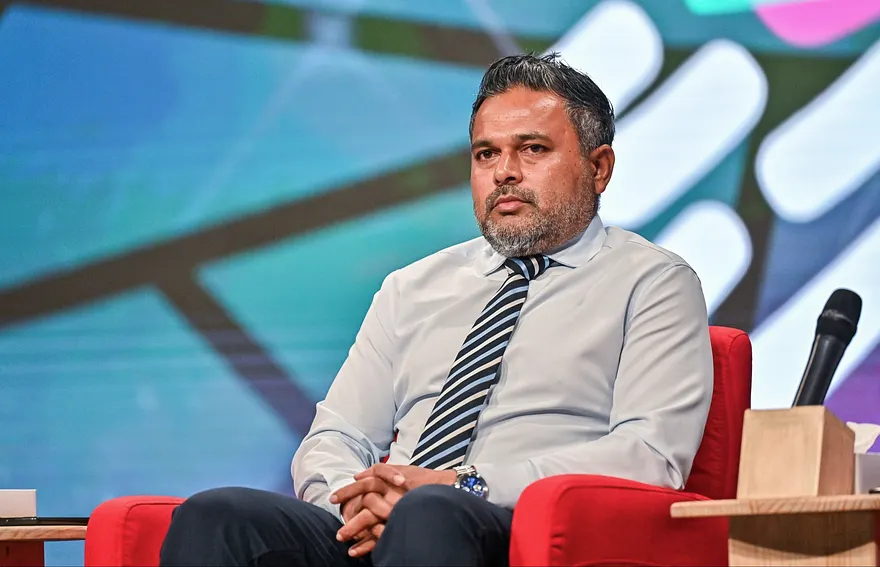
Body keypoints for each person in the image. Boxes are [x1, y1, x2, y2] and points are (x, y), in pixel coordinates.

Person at [158, 52, 713, 567]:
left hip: (515, 529)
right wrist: (357, 502)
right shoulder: (413, 287)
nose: (504, 172)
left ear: (599, 168)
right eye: (486, 154)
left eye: (533, 149)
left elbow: (649, 456)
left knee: (430, 514)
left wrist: (463, 485)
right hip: (381, 530)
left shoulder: (652, 283)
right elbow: (337, 436)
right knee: (217, 516)